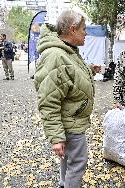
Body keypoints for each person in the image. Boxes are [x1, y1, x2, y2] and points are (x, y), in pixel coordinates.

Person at [34, 9, 100, 188]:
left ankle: (64, 184)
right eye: (84, 29)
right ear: (72, 29)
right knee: (77, 163)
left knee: (68, 160)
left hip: (73, 119)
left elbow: (69, 72)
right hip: (70, 123)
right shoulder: (55, 56)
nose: (86, 33)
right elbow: (48, 101)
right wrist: (56, 137)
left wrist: (89, 69)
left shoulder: (68, 51)